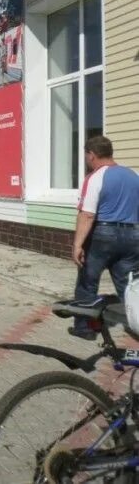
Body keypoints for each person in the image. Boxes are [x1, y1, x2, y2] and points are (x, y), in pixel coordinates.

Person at [71, 135, 139, 339]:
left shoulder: (95, 177)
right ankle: (137, 324)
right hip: (132, 234)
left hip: (103, 234)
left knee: (87, 282)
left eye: (86, 155)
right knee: (130, 286)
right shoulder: (133, 176)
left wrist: (77, 245)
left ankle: (84, 328)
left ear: (91, 154)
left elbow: (87, 214)